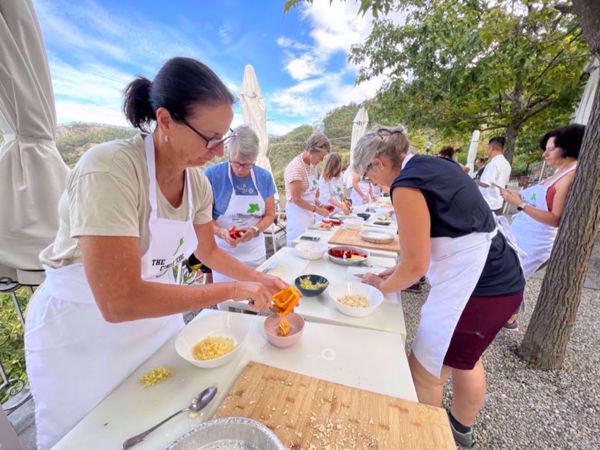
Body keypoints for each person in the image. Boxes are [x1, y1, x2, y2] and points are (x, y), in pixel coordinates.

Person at [24, 57, 287, 449]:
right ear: (165, 120)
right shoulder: (111, 170)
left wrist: (259, 278)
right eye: (209, 138)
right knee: (93, 435)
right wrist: (232, 291)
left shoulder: (196, 184)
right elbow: (118, 300)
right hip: (82, 330)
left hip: (154, 320)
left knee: (165, 421)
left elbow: (209, 251)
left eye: (224, 139)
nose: (217, 152)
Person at [355, 126, 525, 449]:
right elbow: (434, 244)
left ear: (378, 162)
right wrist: (394, 271)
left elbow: (417, 267)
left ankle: (423, 439)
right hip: (502, 275)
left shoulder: (404, 187)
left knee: (424, 370)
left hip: (479, 285)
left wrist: (382, 286)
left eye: (367, 175)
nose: (370, 183)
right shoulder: (433, 165)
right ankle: (460, 430)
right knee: (465, 358)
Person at [500, 124, 584, 329]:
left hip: (537, 240)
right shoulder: (556, 172)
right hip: (522, 232)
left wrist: (520, 204)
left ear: (567, 148)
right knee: (509, 273)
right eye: (545, 148)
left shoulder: (569, 176)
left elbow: (555, 218)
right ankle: (508, 312)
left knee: (512, 276)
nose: (545, 153)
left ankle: (509, 316)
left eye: (551, 149)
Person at [204, 126, 277, 283]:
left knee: (256, 301)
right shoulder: (212, 176)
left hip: (254, 252)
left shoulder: (264, 177)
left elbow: (270, 214)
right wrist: (222, 232)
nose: (239, 170)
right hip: (223, 254)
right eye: (236, 163)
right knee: (226, 303)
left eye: (247, 165)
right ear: (229, 154)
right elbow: (203, 218)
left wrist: (254, 230)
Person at [284, 132, 331, 245]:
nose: (321, 160)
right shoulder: (296, 167)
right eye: (321, 156)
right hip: (298, 218)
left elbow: (310, 194)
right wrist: (318, 210)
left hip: (308, 216)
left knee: (309, 246)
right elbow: (296, 199)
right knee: (298, 248)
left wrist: (320, 204)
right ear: (312, 150)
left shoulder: (310, 166)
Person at [476, 137, 512, 214]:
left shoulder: (493, 164)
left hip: (487, 203)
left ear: (491, 148)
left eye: (487, 148)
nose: (487, 151)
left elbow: (486, 184)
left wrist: (477, 181)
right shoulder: (506, 163)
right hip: (498, 203)